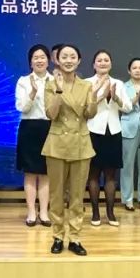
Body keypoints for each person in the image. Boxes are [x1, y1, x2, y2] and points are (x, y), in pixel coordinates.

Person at [44, 44, 106, 256]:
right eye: (64, 57)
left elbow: (89, 114)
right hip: (57, 144)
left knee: (77, 195)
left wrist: (94, 97)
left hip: (81, 144)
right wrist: (59, 90)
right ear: (57, 60)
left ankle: (75, 237)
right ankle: (58, 235)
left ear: (79, 61)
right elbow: (51, 114)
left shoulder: (86, 85)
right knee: (56, 194)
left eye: (73, 57)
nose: (68, 60)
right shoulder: (51, 84)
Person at [85, 50, 131, 227]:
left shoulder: (118, 83)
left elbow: (128, 107)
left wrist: (116, 98)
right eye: (99, 60)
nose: (103, 63)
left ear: (110, 64)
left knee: (111, 175)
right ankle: (95, 213)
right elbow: (83, 107)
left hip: (113, 132)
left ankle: (111, 213)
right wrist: (100, 96)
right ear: (94, 64)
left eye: (106, 60)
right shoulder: (87, 83)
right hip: (93, 131)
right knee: (93, 174)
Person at [15, 45, 52, 226]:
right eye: (35, 57)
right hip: (29, 128)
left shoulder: (55, 80)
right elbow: (21, 107)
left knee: (46, 173)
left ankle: (44, 212)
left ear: (48, 60)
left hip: (50, 128)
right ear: (30, 62)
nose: (39, 60)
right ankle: (31, 212)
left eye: (42, 57)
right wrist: (32, 93)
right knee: (30, 173)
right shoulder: (23, 81)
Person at [120, 58, 140, 211]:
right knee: (127, 165)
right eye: (134, 68)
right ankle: (127, 199)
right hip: (128, 127)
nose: (137, 70)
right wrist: (135, 99)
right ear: (129, 70)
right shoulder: (122, 87)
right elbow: (121, 107)